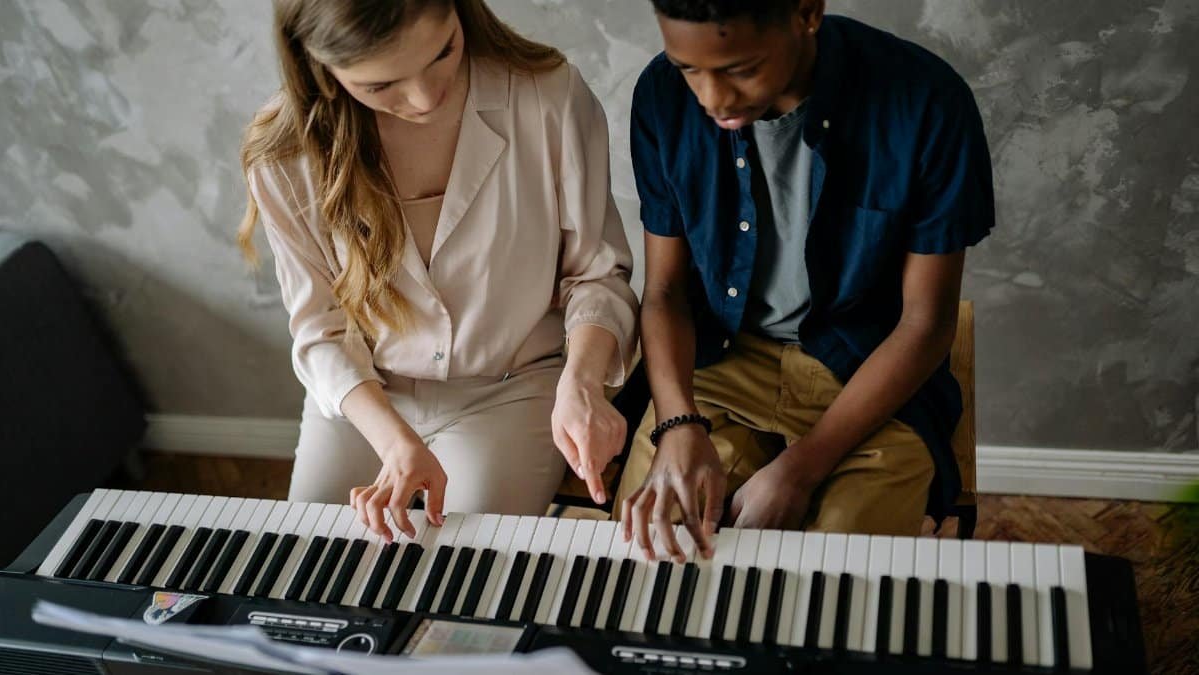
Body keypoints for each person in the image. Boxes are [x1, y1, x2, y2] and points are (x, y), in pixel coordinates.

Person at [238, 0, 637, 541]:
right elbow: (320, 330)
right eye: (381, 85)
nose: (426, 97)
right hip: (365, 396)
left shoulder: (549, 96)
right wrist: (394, 442)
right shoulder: (286, 153)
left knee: (459, 570)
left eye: (443, 51)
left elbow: (596, 273)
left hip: (510, 387)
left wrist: (582, 381)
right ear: (320, 69)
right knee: (306, 567)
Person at [615, 0, 995, 562]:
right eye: (688, 68)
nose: (711, 100)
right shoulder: (660, 96)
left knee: (834, 580)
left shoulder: (927, 102)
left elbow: (925, 322)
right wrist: (676, 423)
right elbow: (665, 292)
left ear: (807, 13)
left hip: (868, 375)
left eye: (740, 68)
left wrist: (798, 471)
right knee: (651, 553)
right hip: (721, 362)